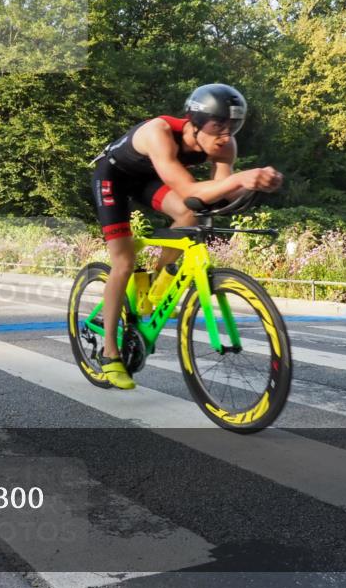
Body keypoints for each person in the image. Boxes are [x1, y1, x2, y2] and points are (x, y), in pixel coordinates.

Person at [90, 84, 283, 390]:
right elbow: (191, 190)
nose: (225, 135)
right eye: (218, 126)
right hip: (114, 178)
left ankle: (156, 287)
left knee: (191, 215)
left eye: (233, 127)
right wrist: (239, 179)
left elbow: (217, 195)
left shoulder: (224, 146)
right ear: (194, 123)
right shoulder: (159, 132)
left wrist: (254, 184)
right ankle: (110, 353)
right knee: (124, 261)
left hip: (150, 180)